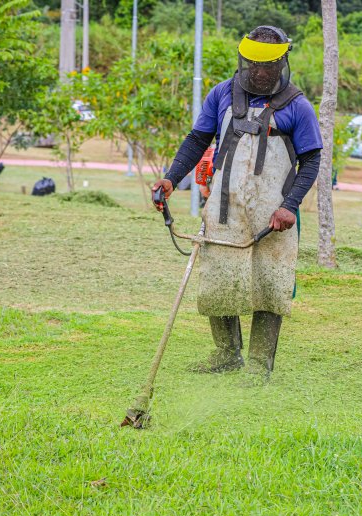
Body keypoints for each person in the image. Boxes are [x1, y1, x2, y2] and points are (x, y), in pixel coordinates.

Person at [151, 25, 322, 383]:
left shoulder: (298, 106)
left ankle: (259, 365)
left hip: (274, 213)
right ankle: (227, 353)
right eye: (253, 65)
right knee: (219, 276)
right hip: (224, 207)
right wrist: (171, 178)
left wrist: (290, 206)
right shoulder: (222, 94)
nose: (258, 72)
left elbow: (311, 162)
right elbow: (197, 140)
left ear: (281, 64)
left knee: (269, 282)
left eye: (267, 66)